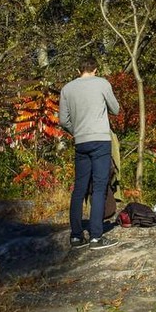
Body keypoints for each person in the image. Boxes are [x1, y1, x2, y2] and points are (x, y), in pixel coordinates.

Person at [59, 56, 121, 250]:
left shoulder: (67, 89)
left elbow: (63, 120)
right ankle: (96, 236)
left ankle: (76, 236)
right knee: (100, 187)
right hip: (100, 140)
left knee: (79, 188)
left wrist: (76, 131)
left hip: (81, 141)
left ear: (79, 71)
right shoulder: (102, 83)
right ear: (96, 69)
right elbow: (116, 109)